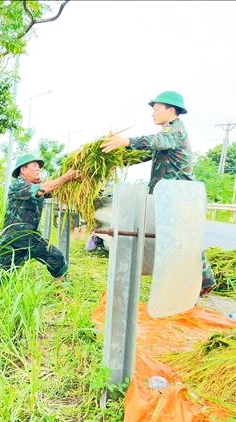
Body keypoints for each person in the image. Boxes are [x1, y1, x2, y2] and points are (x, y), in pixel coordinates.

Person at [100, 90, 216, 296]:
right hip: (167, 197)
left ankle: (200, 283)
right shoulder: (166, 134)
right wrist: (111, 158)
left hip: (178, 196)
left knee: (181, 241)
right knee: (176, 240)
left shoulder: (175, 131)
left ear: (171, 110)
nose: (153, 113)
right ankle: (199, 282)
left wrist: (126, 140)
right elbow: (144, 153)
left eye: (156, 109)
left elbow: (156, 142)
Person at [0, 154, 80, 282]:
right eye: (34, 166)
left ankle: (60, 291)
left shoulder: (32, 186)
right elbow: (43, 189)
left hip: (25, 237)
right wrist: (67, 176)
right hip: (16, 236)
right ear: (23, 170)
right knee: (3, 274)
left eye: (39, 167)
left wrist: (72, 180)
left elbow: (52, 188)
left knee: (55, 258)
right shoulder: (19, 184)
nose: (38, 169)